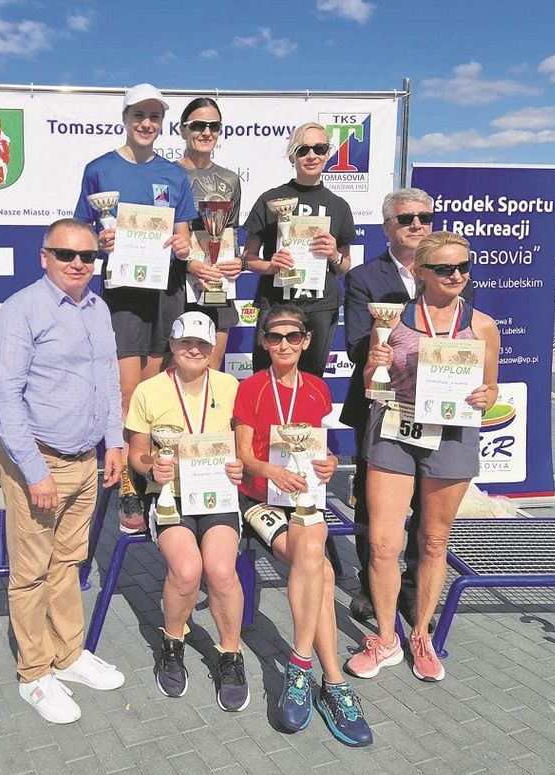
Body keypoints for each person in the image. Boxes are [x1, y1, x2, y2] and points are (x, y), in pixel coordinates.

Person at [0, 218, 127, 724]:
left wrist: (115, 442)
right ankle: (34, 673)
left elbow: (108, 380)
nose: (78, 264)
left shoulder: (97, 307)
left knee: (68, 563)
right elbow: (3, 399)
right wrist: (34, 472)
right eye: (66, 254)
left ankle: (68, 655)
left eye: (88, 257)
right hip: (38, 461)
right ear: (43, 256)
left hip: (86, 458)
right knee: (29, 575)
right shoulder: (20, 312)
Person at [346, 232, 500, 683]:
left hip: (451, 435)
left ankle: (419, 636)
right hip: (396, 429)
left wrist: (484, 395)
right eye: (445, 268)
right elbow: (369, 389)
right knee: (382, 545)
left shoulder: (483, 325)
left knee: (433, 542)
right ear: (420, 272)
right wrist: (374, 363)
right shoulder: (392, 319)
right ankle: (386, 637)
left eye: (463, 267)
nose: (457, 276)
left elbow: (490, 390)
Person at [233, 304, 373, 746]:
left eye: (293, 337)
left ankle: (302, 667)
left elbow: (320, 450)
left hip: (304, 497)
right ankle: (333, 681)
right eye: (275, 337)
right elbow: (244, 457)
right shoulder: (250, 388)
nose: (284, 345)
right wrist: (268, 471)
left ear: (307, 341)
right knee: (323, 569)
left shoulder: (316, 389)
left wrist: (330, 463)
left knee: (314, 560)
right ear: (264, 342)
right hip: (260, 499)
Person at [340, 189, 474, 628]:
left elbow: (467, 342)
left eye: (424, 217)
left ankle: (416, 589)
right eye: (406, 219)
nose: (416, 224)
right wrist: (398, 351)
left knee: (428, 510)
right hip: (386, 406)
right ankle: (370, 585)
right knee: (373, 509)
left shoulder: (454, 277)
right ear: (388, 228)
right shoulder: (364, 278)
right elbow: (360, 342)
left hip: (440, 413)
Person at [74, 83, 196, 535]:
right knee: (127, 395)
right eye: (138, 115)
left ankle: (154, 485)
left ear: (162, 121)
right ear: (125, 117)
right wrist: (98, 242)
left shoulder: (175, 174)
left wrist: (183, 243)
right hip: (123, 293)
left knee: (157, 394)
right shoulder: (99, 170)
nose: (146, 123)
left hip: (166, 292)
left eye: (154, 116)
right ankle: (127, 484)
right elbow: (83, 233)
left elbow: (183, 237)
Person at [124, 311, 249, 711]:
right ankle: (172, 642)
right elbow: (136, 453)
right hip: (169, 496)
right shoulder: (149, 390)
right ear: (172, 346)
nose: (194, 349)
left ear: (213, 348)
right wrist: (150, 466)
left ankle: (231, 654)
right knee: (186, 570)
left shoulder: (231, 386)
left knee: (221, 570)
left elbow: (247, 446)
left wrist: (240, 465)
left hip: (217, 495)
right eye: (185, 343)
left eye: (202, 344)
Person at [241, 122, 355, 376]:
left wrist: (335, 255)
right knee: (265, 376)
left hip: (320, 305)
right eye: (303, 150)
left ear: (328, 153)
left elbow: (346, 265)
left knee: (311, 378)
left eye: (319, 148)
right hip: (275, 301)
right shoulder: (270, 199)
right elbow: (248, 259)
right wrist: (271, 265)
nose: (311, 156)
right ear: (292, 155)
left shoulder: (339, 206)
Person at [176, 97, 243, 370]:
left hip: (217, 286)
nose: (206, 132)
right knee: (172, 377)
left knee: (211, 376)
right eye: (198, 125)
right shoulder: (166, 174)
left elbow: (231, 231)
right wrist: (188, 265)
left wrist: (235, 261)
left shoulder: (230, 179)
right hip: (175, 288)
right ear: (182, 130)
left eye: (213, 126)